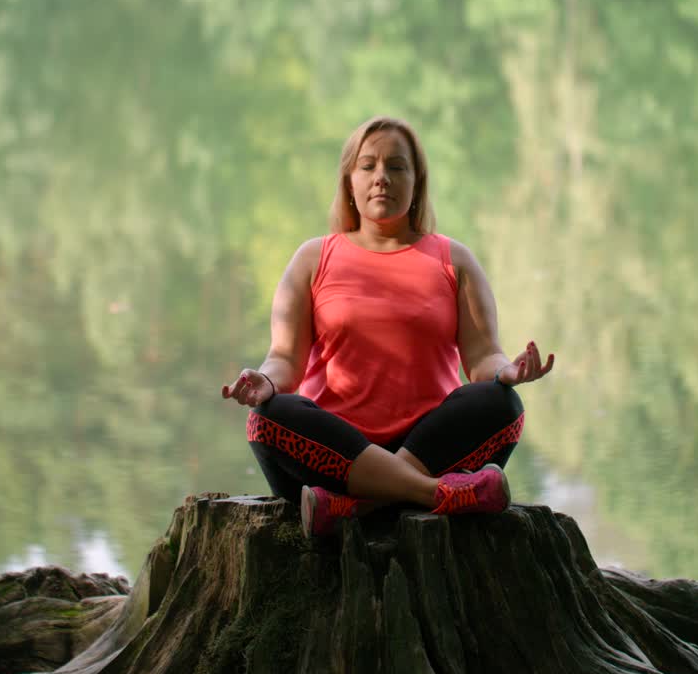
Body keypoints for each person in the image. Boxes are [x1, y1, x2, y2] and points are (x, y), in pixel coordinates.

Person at [221, 116, 554, 537]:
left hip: (430, 447)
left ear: (417, 182)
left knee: (502, 405)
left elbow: (483, 355)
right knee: (267, 417)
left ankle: (354, 507)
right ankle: (438, 495)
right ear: (349, 181)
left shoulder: (454, 260)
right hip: (335, 456)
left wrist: (507, 371)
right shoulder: (312, 258)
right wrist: (265, 383)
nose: (382, 178)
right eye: (369, 166)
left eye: (397, 167)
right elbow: (285, 359)